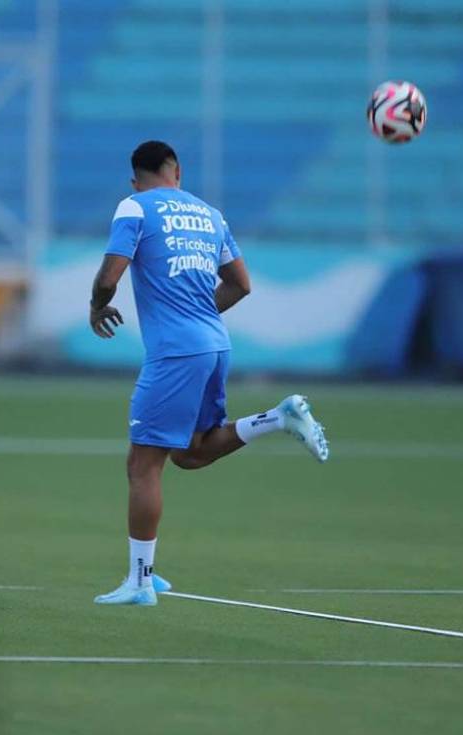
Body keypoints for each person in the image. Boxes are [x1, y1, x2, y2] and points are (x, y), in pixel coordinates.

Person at [88, 140, 329, 606]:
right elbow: (241, 284)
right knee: (192, 454)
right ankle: (279, 418)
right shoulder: (209, 214)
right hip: (215, 345)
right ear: (177, 172)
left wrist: (97, 307)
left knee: (143, 466)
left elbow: (108, 278)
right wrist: (200, 312)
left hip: (176, 352)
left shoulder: (134, 206)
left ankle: (139, 582)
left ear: (136, 179)